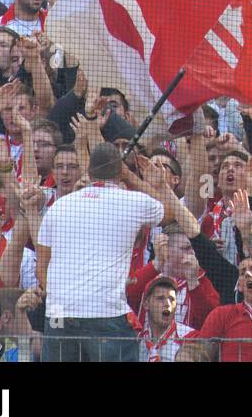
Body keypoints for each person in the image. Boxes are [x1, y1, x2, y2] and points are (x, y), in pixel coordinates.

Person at [36, 143, 174, 361]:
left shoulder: (59, 206)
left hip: (58, 316)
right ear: (119, 171)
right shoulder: (132, 201)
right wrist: (130, 176)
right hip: (106, 314)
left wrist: (59, 300)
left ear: (88, 172)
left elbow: (41, 267)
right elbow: (169, 212)